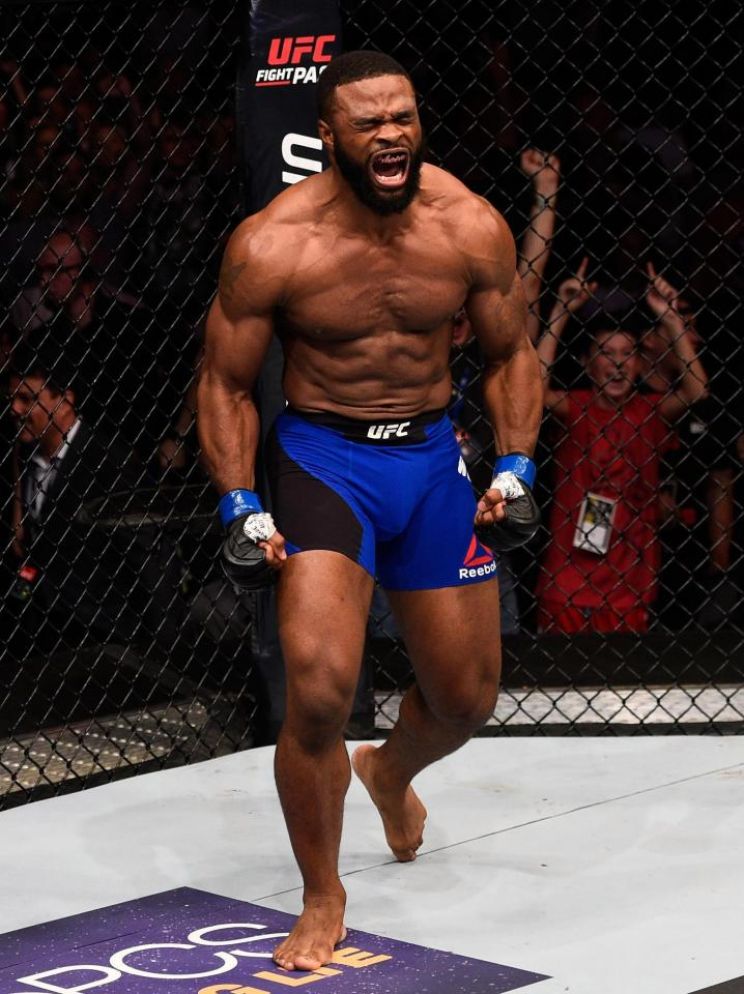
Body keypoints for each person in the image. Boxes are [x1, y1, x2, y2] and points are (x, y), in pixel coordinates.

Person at [197, 51, 543, 971]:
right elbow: (225, 383)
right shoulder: (275, 242)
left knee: (465, 700)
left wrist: (516, 462)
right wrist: (239, 502)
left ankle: (388, 770)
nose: (391, 135)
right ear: (330, 137)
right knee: (317, 691)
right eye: (370, 123)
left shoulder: (468, 223)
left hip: (430, 460)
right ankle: (323, 894)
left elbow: (510, 353)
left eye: (403, 117)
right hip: (324, 461)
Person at [535, 262, 708, 633]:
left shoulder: (649, 411)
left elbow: (697, 390)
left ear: (639, 363)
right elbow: (531, 390)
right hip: (567, 583)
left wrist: (670, 319)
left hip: (628, 585)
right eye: (606, 352)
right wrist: (560, 313)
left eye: (627, 353)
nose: (617, 363)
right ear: (587, 363)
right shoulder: (575, 408)